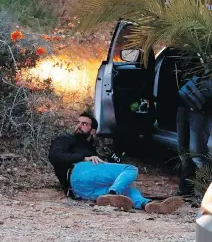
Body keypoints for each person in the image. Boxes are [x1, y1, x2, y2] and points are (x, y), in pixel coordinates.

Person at [48, 112, 184, 213]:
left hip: (79, 191)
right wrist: (84, 158)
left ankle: (148, 205)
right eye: (78, 122)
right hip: (77, 171)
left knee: (129, 190)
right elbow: (55, 156)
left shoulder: (90, 148)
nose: (79, 126)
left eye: (84, 124)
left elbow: (100, 169)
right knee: (130, 169)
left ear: (93, 131)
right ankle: (112, 194)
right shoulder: (66, 139)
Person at [174, 52, 212, 196]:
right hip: (184, 106)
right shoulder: (188, 52)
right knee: (184, 152)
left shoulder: (202, 52)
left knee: (198, 154)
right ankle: (186, 190)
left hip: (201, 110)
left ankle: (202, 193)